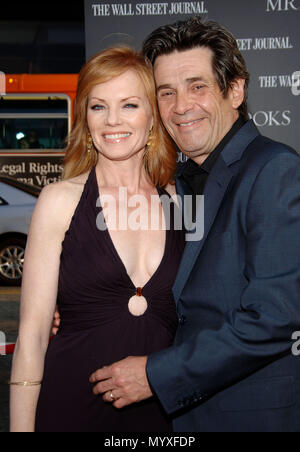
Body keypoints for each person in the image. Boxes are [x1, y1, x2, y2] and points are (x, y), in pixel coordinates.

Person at [88, 17, 300, 432]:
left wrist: (156, 374)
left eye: (197, 86)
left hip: (249, 416)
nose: (181, 106)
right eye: (167, 92)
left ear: (235, 90)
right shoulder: (173, 185)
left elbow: (275, 317)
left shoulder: (276, 171)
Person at [9, 47, 185, 432]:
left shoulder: (181, 201)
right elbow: (34, 336)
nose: (112, 120)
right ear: (84, 118)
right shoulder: (59, 202)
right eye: (98, 106)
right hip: (71, 405)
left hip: (160, 414)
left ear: (153, 117)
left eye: (129, 105)